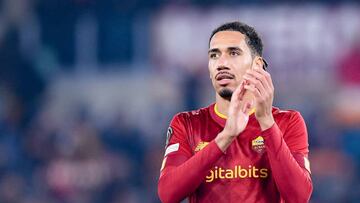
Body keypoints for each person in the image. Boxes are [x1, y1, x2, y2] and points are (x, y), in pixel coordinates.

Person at [158, 21, 313, 203]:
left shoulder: (288, 121)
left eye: (233, 53)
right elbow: (167, 194)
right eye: (214, 55)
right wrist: (226, 136)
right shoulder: (187, 124)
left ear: (257, 65)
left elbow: (299, 196)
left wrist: (267, 123)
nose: (222, 63)